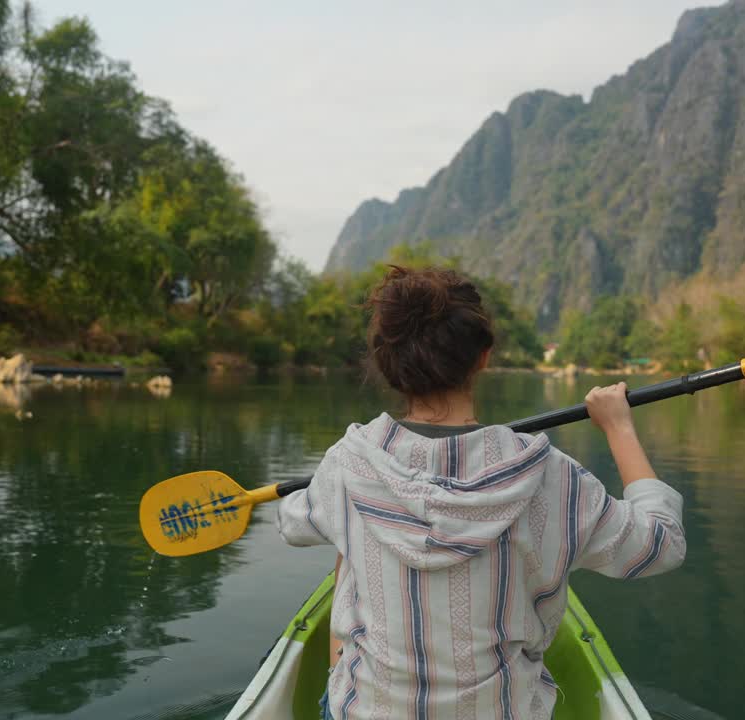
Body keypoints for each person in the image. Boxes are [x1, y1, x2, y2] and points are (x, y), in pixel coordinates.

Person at [278, 265, 686, 720]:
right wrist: (619, 427)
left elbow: (293, 524)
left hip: (365, 712)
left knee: (345, 544)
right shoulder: (553, 477)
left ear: (387, 365)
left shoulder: (347, 463)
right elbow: (661, 545)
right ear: (483, 357)